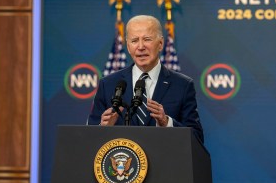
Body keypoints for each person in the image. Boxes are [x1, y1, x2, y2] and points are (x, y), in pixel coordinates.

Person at [87, 15, 204, 143]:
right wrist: (103, 129)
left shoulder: (182, 85)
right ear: (128, 46)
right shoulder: (108, 84)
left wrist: (167, 123)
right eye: (134, 40)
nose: (141, 46)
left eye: (147, 39)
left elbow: (197, 139)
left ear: (160, 44)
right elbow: (90, 139)